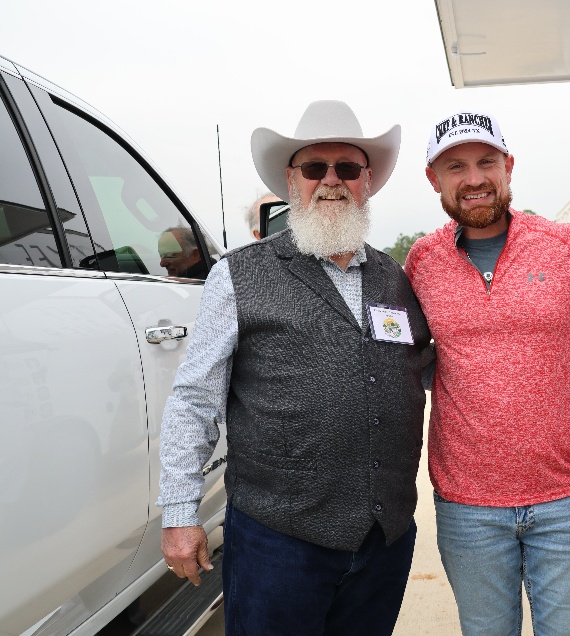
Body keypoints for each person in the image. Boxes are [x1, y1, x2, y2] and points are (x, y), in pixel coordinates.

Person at [157, 100, 431, 635]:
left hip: (384, 540)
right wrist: (179, 510)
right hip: (278, 543)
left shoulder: (395, 278)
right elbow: (194, 399)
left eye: (347, 168)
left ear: (367, 181)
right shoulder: (239, 275)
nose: (332, 181)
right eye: (315, 169)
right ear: (291, 180)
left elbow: (418, 370)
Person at [404, 110, 570, 636]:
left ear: (509, 166)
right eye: (455, 166)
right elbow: (399, 359)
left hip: (567, 497)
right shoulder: (421, 262)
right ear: (434, 180)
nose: (473, 178)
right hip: (466, 507)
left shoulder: (565, 244)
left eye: (486, 162)